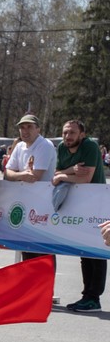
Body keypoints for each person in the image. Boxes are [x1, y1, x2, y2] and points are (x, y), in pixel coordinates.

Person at [54, 120, 106, 311]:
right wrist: (68, 172)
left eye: (73, 133)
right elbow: (55, 175)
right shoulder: (61, 147)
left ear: (82, 134)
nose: (68, 136)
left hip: (97, 201)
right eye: (65, 132)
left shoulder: (90, 146)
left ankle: (94, 297)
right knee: (83, 250)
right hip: (78, 204)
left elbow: (86, 178)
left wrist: (61, 176)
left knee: (95, 249)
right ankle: (86, 295)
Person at [3, 114, 59, 270]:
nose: (25, 131)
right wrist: (21, 175)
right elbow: (7, 172)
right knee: (27, 251)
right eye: (22, 127)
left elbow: (35, 176)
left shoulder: (44, 145)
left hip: (43, 206)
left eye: (29, 127)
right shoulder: (20, 146)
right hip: (25, 203)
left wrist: (17, 175)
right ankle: (32, 290)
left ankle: (46, 290)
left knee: (42, 251)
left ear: (38, 129)